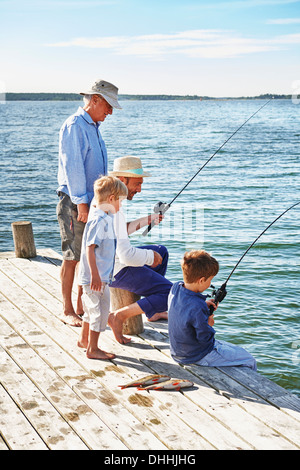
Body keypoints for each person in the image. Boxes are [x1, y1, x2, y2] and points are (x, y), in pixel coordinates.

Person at [56, 79, 122, 327]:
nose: (110, 112)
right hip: (75, 202)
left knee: (88, 253)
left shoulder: (93, 125)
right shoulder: (75, 125)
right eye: (108, 105)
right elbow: (73, 168)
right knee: (72, 255)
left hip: (92, 202)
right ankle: (67, 309)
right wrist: (82, 204)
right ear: (94, 99)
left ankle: (83, 306)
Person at [105, 156, 173, 344]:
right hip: (116, 270)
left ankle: (153, 311)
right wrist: (151, 257)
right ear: (122, 180)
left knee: (163, 251)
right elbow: (126, 256)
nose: (140, 189)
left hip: (111, 262)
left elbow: (121, 230)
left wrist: (148, 219)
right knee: (170, 293)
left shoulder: (110, 199)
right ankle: (119, 315)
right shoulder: (114, 208)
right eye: (137, 184)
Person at [168, 250, 257, 370]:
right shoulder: (197, 306)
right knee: (249, 359)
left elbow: (184, 309)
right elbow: (205, 339)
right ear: (201, 280)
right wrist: (209, 324)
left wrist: (203, 305)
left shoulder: (176, 287)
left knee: (238, 351)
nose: (210, 283)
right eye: (210, 280)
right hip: (196, 356)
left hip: (178, 352)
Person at [77, 175, 128, 360]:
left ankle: (84, 340)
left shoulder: (103, 217)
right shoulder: (98, 221)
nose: (120, 206)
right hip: (94, 278)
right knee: (98, 313)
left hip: (101, 277)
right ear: (111, 199)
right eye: (120, 202)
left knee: (95, 310)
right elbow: (90, 249)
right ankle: (93, 349)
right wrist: (95, 276)